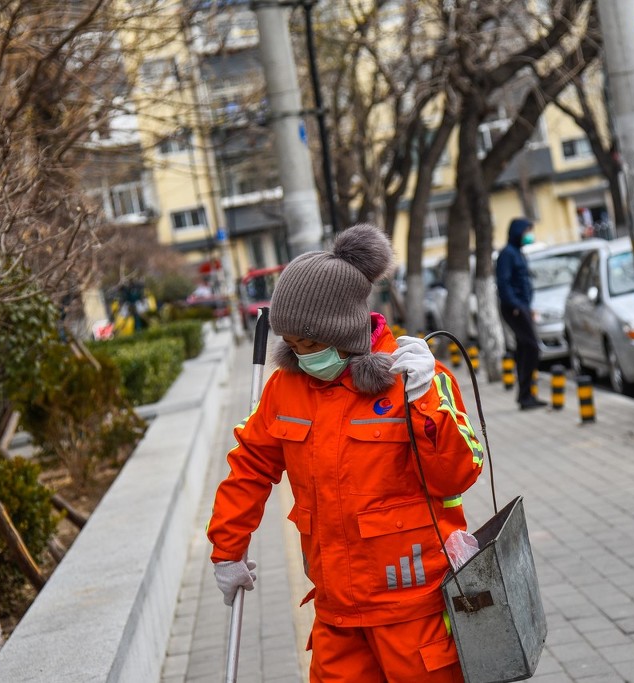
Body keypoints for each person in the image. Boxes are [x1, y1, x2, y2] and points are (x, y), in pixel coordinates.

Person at [206, 223, 485, 681]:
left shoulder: (414, 378)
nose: (303, 356)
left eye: (312, 344)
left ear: (346, 328)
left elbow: (458, 475)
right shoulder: (287, 387)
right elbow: (250, 465)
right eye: (292, 346)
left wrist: (426, 402)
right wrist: (226, 549)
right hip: (335, 609)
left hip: (415, 607)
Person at [497, 217, 547, 410]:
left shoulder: (517, 252)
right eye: (526, 231)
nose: (529, 235)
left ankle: (525, 396)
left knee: (524, 349)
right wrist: (516, 305)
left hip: (522, 306)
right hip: (515, 308)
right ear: (518, 232)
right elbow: (504, 282)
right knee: (532, 347)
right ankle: (526, 395)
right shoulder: (507, 254)